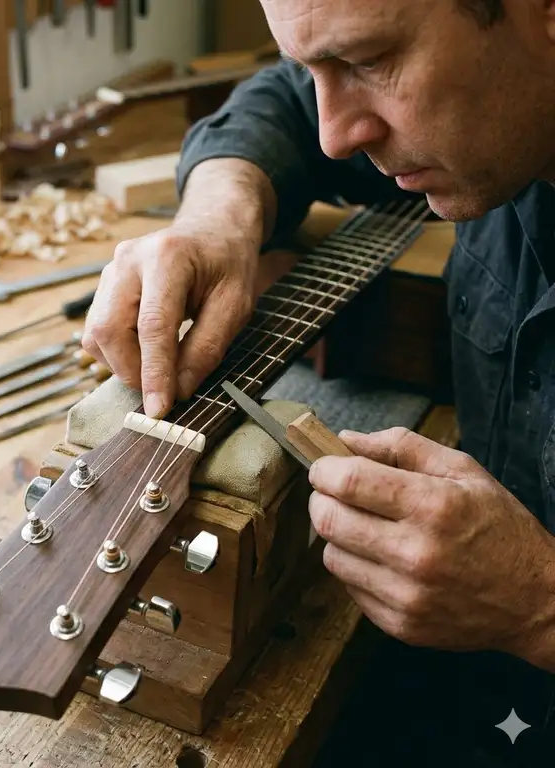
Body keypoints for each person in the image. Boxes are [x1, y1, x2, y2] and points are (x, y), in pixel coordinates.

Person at [82, 0, 555, 763]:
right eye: (314, 65)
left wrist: (538, 604)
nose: (337, 135)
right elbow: (287, 108)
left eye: (369, 62)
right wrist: (220, 215)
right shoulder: (498, 125)